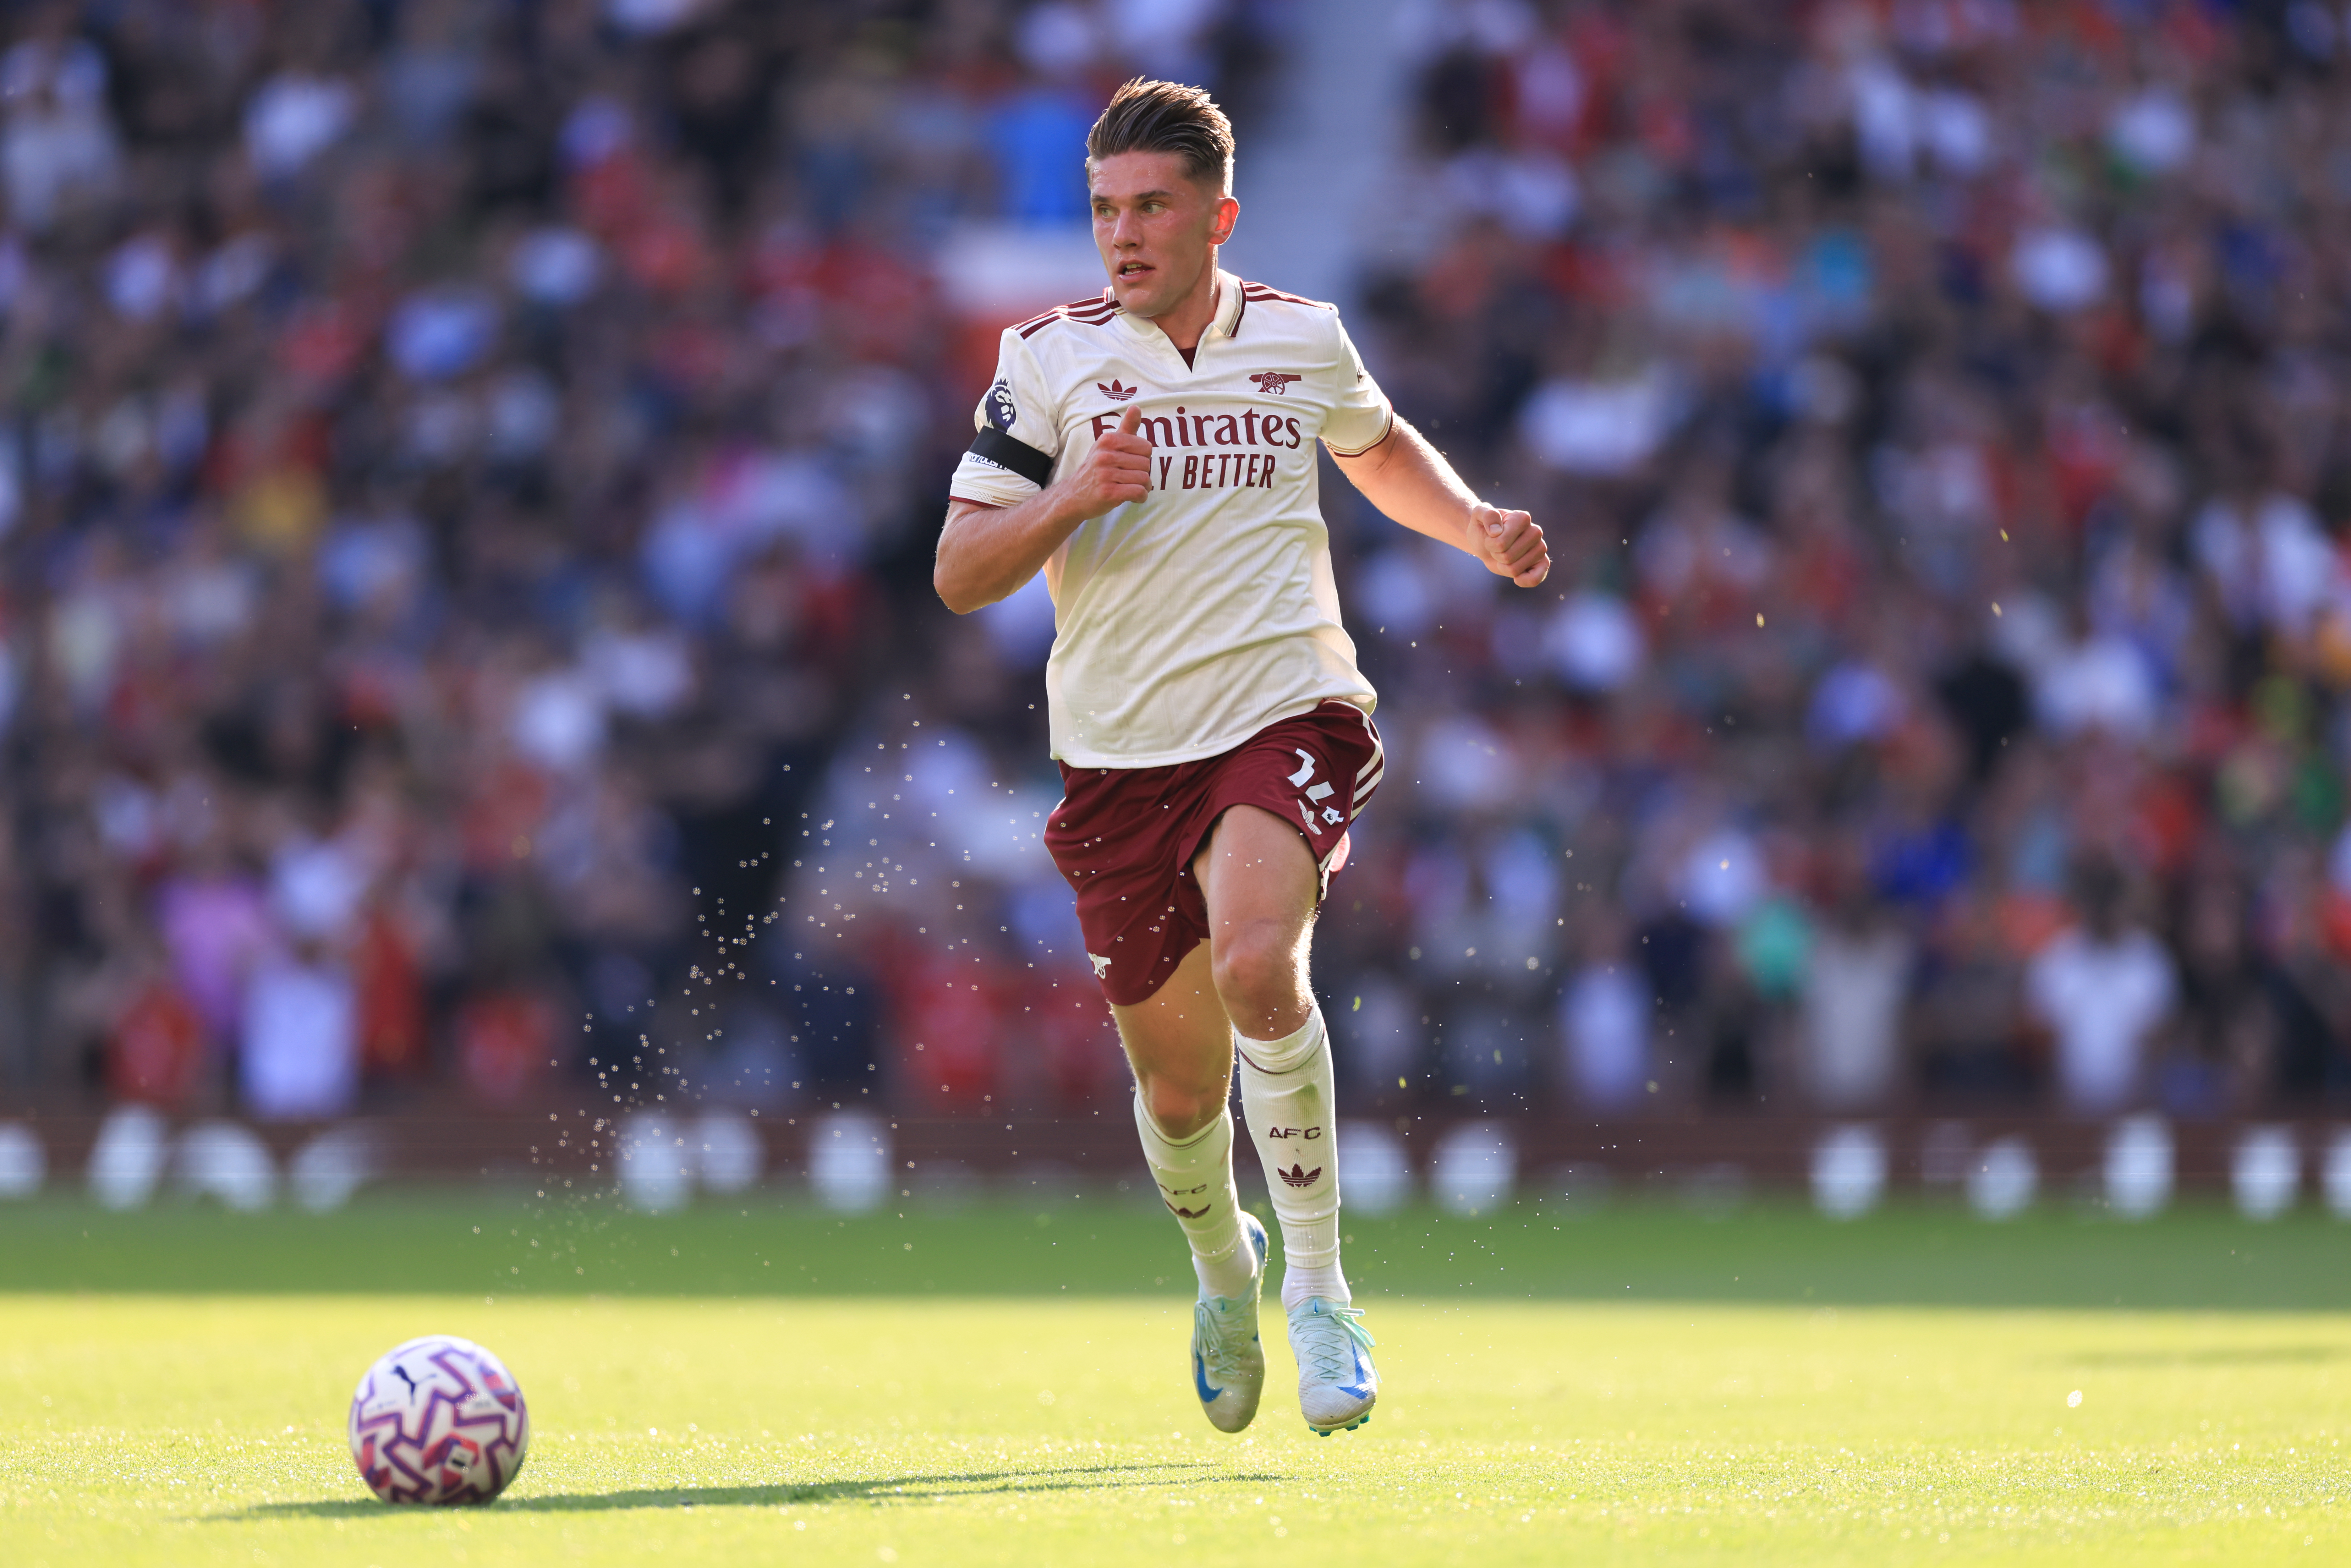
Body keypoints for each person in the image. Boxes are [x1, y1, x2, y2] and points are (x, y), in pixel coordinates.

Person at [934, 79, 1548, 1436]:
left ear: (1217, 216)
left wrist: (1474, 529)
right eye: (1103, 210)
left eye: (1150, 207)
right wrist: (1071, 493)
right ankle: (1226, 1275)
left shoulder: (1298, 338)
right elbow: (959, 573)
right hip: (1117, 760)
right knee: (1175, 1085)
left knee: (1261, 962)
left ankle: (1322, 1289)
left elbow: (1376, 451)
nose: (1123, 235)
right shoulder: (1041, 361)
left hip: (1283, 711)